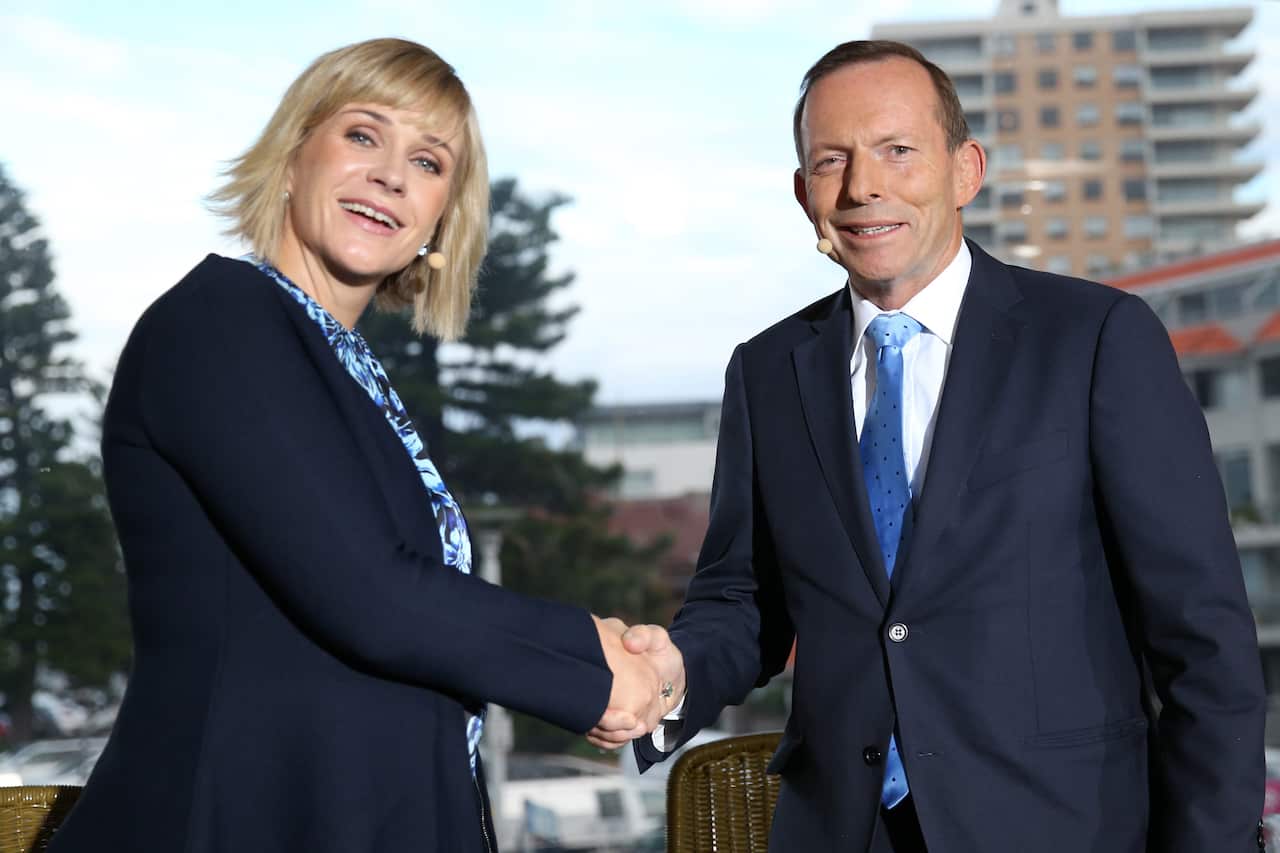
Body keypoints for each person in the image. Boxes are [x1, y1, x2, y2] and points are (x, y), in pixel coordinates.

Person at [590, 40, 1267, 852]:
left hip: (1061, 825)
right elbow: (745, 599)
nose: (863, 185)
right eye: (829, 160)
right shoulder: (767, 371)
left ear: (965, 170)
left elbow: (1203, 640)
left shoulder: (1095, 340)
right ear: (803, 192)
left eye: (897, 151)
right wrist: (670, 676)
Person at [49, 38, 670, 853]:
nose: (391, 175)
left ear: (442, 214)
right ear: (292, 153)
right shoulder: (218, 325)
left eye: (429, 160)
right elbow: (374, 595)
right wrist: (594, 668)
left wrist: (612, 648)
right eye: (363, 135)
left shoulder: (344, 370)